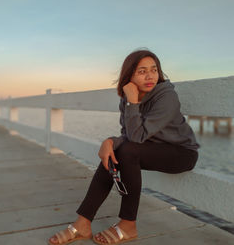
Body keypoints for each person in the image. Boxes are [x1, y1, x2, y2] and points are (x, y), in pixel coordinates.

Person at [48, 49, 200, 245]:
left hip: (181, 153)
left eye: (153, 70)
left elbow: (136, 138)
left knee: (125, 150)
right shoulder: (129, 96)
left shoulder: (166, 96)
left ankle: (128, 225)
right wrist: (110, 142)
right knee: (116, 152)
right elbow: (129, 135)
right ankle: (83, 223)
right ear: (129, 76)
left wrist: (131, 103)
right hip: (149, 148)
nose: (150, 76)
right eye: (142, 71)